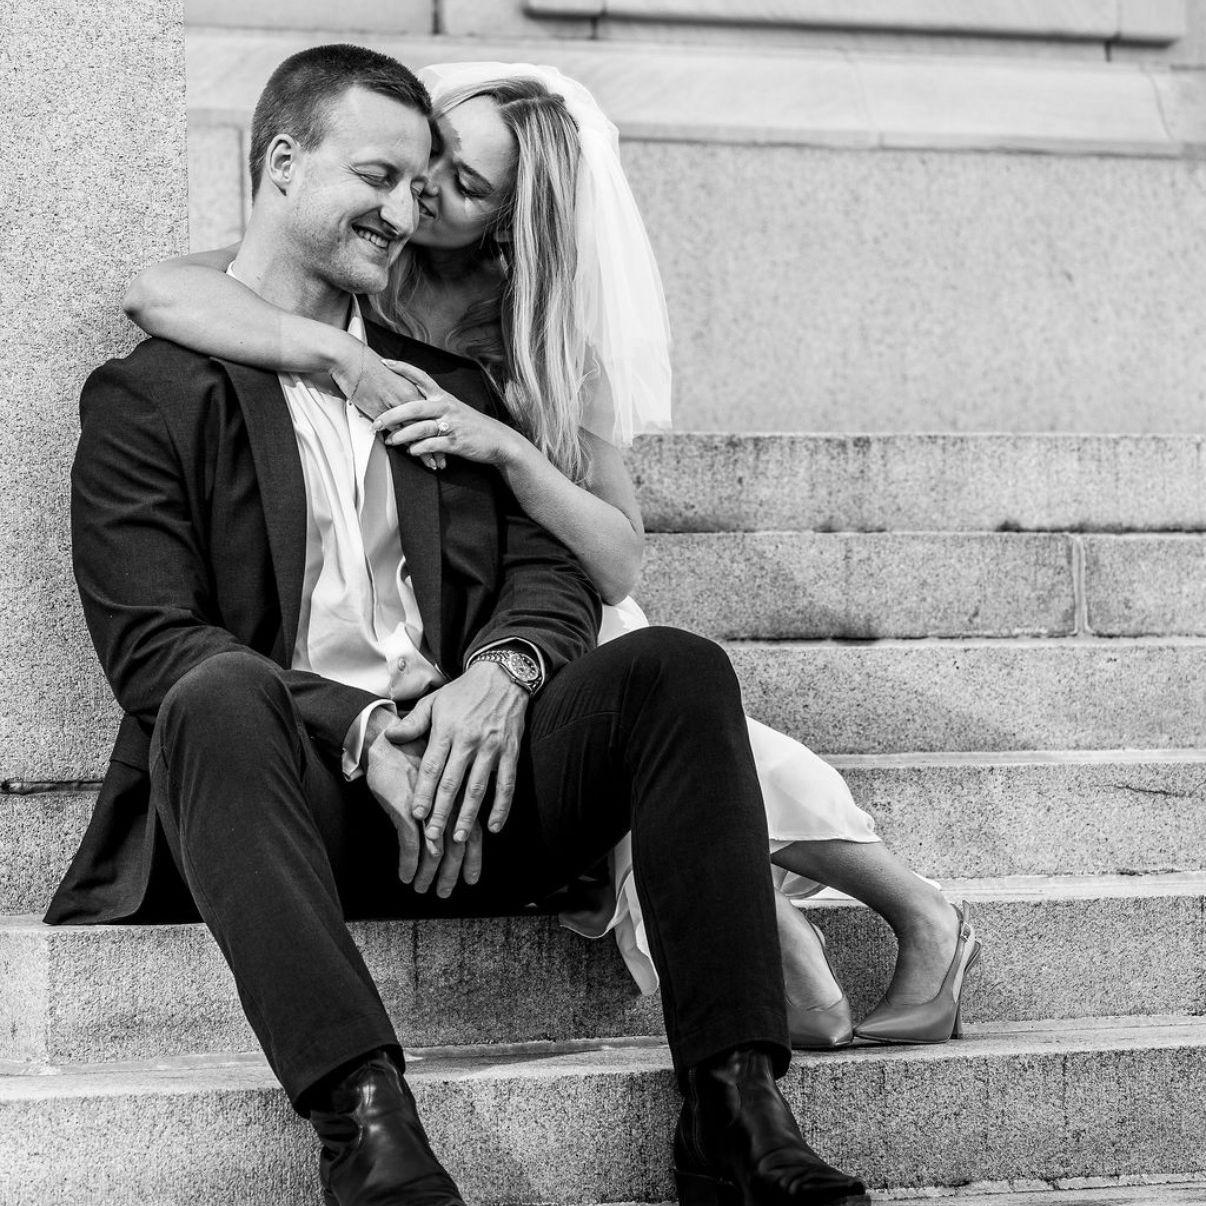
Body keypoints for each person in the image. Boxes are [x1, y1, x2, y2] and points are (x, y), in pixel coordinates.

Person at [49, 43, 875, 1206]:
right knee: (212, 692)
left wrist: (505, 672)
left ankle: (735, 1116)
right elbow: (151, 643)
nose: (405, 212)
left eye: (420, 183)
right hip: (286, 809)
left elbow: (554, 572)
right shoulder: (151, 396)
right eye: (377, 177)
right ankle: (370, 1135)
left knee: (675, 669)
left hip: (471, 795)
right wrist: (363, 737)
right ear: (283, 163)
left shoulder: (453, 387)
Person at [123, 60, 982, 1051]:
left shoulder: (537, 334)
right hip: (444, 609)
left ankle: (915, 914)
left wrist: (512, 452)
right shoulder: (358, 265)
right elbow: (157, 289)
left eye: (461, 185)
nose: (422, 192)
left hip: (550, 588)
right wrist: (344, 356)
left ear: (507, 223)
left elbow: (616, 561)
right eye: (427, 158)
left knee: (668, 703)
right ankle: (788, 943)